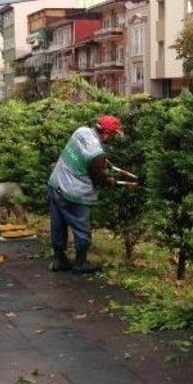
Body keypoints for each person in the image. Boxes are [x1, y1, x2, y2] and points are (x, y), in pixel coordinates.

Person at [47, 115, 133, 274]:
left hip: (55, 184)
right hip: (73, 193)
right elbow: (99, 177)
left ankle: (59, 259)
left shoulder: (81, 131)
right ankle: (80, 262)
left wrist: (102, 162)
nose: (112, 138)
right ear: (106, 134)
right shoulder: (97, 154)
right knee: (81, 228)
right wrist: (112, 183)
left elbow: (84, 153)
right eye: (113, 135)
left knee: (58, 225)